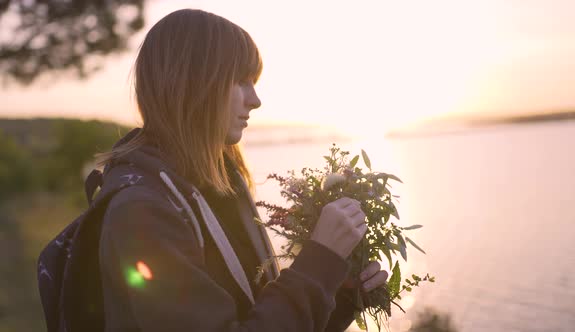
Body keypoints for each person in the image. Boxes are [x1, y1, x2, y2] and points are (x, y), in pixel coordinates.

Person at [96, 8, 389, 332]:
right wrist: (319, 260)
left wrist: (338, 289)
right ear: (193, 83)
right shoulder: (142, 213)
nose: (255, 100)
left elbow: (259, 317)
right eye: (240, 81)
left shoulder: (222, 185)